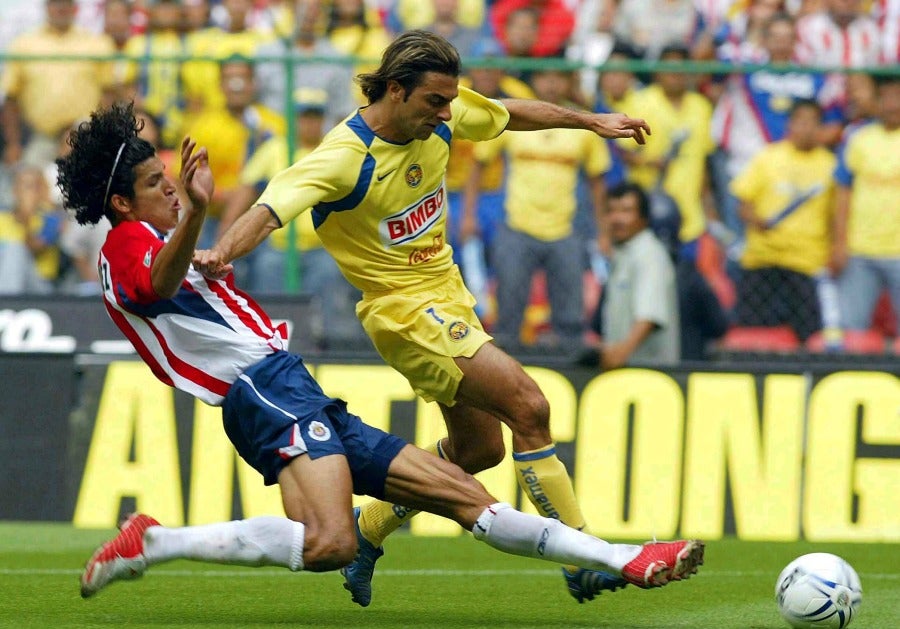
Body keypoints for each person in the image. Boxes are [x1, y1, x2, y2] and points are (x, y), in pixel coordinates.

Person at [54, 102, 704, 601]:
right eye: (154, 182)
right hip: (259, 388)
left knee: (461, 486)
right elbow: (158, 282)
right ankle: (157, 543)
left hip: (290, 382)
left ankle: (622, 558)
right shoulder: (126, 245)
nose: (171, 187)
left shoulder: (157, 236)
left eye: (169, 178)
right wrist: (198, 213)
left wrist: (199, 228)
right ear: (120, 202)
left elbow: (181, 278)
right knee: (331, 539)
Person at [193, 30, 661, 607]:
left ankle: (366, 533)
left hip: (448, 297)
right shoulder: (345, 158)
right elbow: (269, 209)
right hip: (404, 312)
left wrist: (590, 121)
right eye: (435, 102)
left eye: (450, 101)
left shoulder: (439, 112)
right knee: (530, 406)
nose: (448, 114)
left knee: (478, 451)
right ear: (394, 90)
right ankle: (584, 556)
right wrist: (219, 254)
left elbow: (507, 113)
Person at [465, 67, 610, 350]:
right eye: (545, 76)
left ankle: (569, 373)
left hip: (566, 229)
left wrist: (602, 232)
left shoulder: (582, 124)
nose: (552, 82)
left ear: (569, 81)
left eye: (559, 76)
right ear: (534, 81)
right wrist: (469, 216)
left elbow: (597, 183)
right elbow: (478, 165)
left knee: (570, 319)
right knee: (507, 316)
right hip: (516, 226)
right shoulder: (514, 118)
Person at [730, 100, 837, 342]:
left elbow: (835, 216)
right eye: (799, 121)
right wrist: (757, 220)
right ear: (789, 125)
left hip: (806, 263)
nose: (805, 128)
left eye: (812, 122)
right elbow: (743, 203)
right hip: (762, 259)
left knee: (808, 335)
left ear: (820, 127)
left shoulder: (830, 166)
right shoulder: (768, 157)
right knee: (754, 333)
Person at [831, 74, 900, 333]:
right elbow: (842, 194)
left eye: (898, 98)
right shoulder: (857, 138)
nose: (893, 105)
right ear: (876, 102)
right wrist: (839, 242)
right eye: (887, 98)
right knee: (852, 330)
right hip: (859, 250)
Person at [589, 182, 680, 369]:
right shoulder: (623, 254)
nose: (617, 218)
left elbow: (649, 315)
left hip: (648, 373)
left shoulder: (649, 254)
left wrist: (620, 353)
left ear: (644, 218)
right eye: (611, 211)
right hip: (629, 372)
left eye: (626, 211)